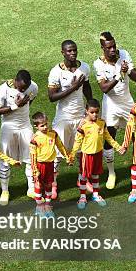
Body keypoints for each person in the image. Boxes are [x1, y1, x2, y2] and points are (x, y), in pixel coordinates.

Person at [93, 32, 136, 189]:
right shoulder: (98, 64)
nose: (113, 50)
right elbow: (104, 88)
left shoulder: (124, 54)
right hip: (111, 104)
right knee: (109, 137)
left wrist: (128, 69)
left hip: (127, 101)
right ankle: (111, 173)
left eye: (114, 46)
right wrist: (119, 74)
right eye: (109, 47)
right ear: (102, 48)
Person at [47, 40, 93, 199]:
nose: (72, 53)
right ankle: (53, 184)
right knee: (58, 152)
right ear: (62, 53)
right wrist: (72, 87)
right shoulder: (56, 72)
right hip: (63, 117)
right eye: (69, 51)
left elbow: (86, 86)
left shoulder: (84, 67)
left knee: (83, 150)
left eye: (74, 50)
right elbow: (52, 97)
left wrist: (91, 104)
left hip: (80, 116)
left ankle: (82, 180)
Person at [0, 70, 38, 204]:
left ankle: (31, 188)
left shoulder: (33, 87)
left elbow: (30, 100)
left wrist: (23, 106)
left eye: (26, 87)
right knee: (5, 159)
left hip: (25, 125)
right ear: (15, 80)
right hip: (8, 127)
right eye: (21, 87)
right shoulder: (3, 89)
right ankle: (5, 191)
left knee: (30, 157)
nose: (23, 90)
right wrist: (15, 106)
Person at [69, 99, 124, 209]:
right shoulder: (83, 125)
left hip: (98, 154)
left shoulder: (102, 123)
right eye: (92, 112)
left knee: (95, 175)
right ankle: (83, 197)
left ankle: (95, 194)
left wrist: (118, 147)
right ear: (86, 111)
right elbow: (77, 141)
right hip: (86, 155)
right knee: (84, 176)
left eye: (96, 112)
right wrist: (72, 154)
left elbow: (108, 137)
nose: (95, 114)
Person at [29, 112, 71, 218]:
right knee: (38, 186)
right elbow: (33, 156)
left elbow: (60, 146)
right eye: (42, 125)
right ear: (36, 126)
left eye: (46, 124)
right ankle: (39, 207)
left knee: (48, 185)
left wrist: (67, 156)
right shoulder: (35, 139)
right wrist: (35, 169)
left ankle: (47, 205)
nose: (45, 127)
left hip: (50, 164)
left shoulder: (53, 134)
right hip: (39, 165)